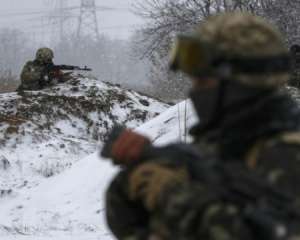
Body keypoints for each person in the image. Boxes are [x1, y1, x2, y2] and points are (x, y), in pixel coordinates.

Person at [103, 12, 300, 240]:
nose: (195, 90)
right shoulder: (220, 144)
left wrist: (170, 194)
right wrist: (133, 178)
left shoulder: (287, 154)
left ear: (241, 82)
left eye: (204, 80)